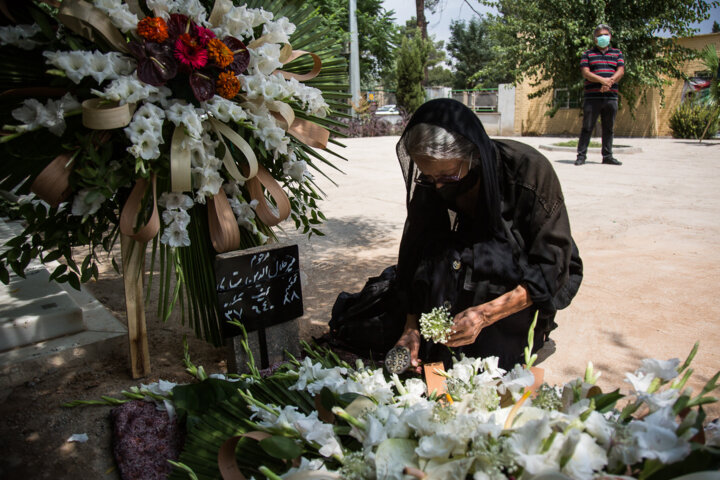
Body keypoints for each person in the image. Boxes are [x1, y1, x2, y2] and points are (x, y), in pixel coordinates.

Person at [391, 98, 583, 371]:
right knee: (433, 346)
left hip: (512, 280)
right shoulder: (435, 180)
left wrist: (484, 315)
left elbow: (551, 268)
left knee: (489, 361)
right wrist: (411, 326)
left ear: (474, 154)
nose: (439, 187)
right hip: (465, 270)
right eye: (429, 177)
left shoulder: (529, 172)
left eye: (448, 176)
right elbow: (415, 249)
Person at [575, 24, 625, 166]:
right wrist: (603, 80)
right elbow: (586, 73)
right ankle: (581, 156)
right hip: (592, 98)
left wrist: (610, 82)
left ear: (610, 36)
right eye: (599, 35)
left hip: (611, 97)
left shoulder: (617, 53)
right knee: (587, 127)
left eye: (605, 34)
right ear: (595, 39)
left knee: (609, 128)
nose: (603, 37)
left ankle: (607, 156)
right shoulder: (588, 54)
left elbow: (620, 71)